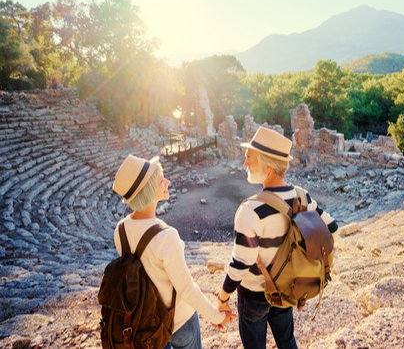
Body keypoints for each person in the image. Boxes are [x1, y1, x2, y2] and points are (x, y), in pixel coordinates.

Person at [214, 127, 338, 349]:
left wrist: (223, 297)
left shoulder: (251, 209)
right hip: (287, 287)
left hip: (254, 296)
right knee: (287, 341)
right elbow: (332, 227)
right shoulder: (302, 195)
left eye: (249, 158)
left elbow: (242, 262)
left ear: (268, 167)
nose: (244, 164)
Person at [112, 155, 237, 349]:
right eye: (161, 180)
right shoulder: (166, 236)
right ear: (150, 190)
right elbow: (186, 289)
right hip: (178, 323)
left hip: (145, 322)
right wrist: (216, 315)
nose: (167, 182)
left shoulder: (120, 230)